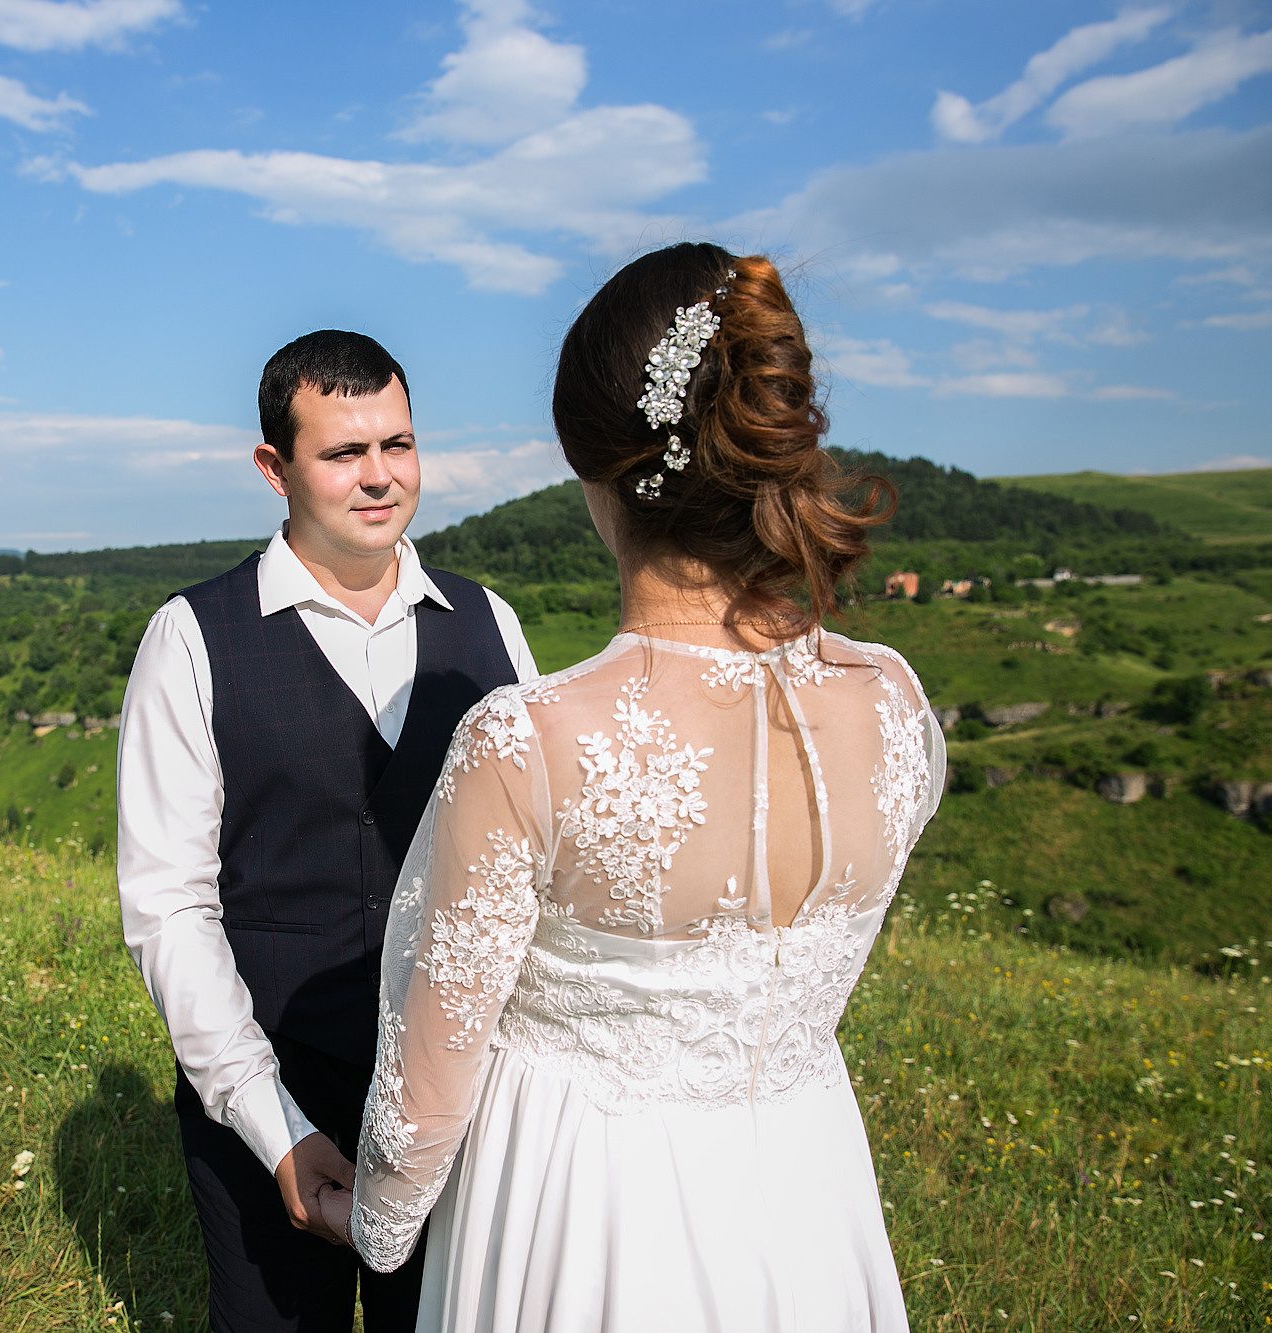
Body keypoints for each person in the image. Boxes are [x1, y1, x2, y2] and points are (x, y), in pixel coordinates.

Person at [321, 244, 946, 1332]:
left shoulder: (527, 742)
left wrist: (368, 1219)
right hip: (803, 1193)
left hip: (576, 1214)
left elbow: (424, 1096)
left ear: (594, 470)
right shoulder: (891, 703)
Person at [117, 330, 540, 1333]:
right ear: (274, 468)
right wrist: (274, 1128)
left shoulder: (491, 624)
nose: (379, 477)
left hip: (456, 1100)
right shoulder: (192, 636)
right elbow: (168, 909)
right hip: (265, 1083)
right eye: (342, 453)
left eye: (396, 444)